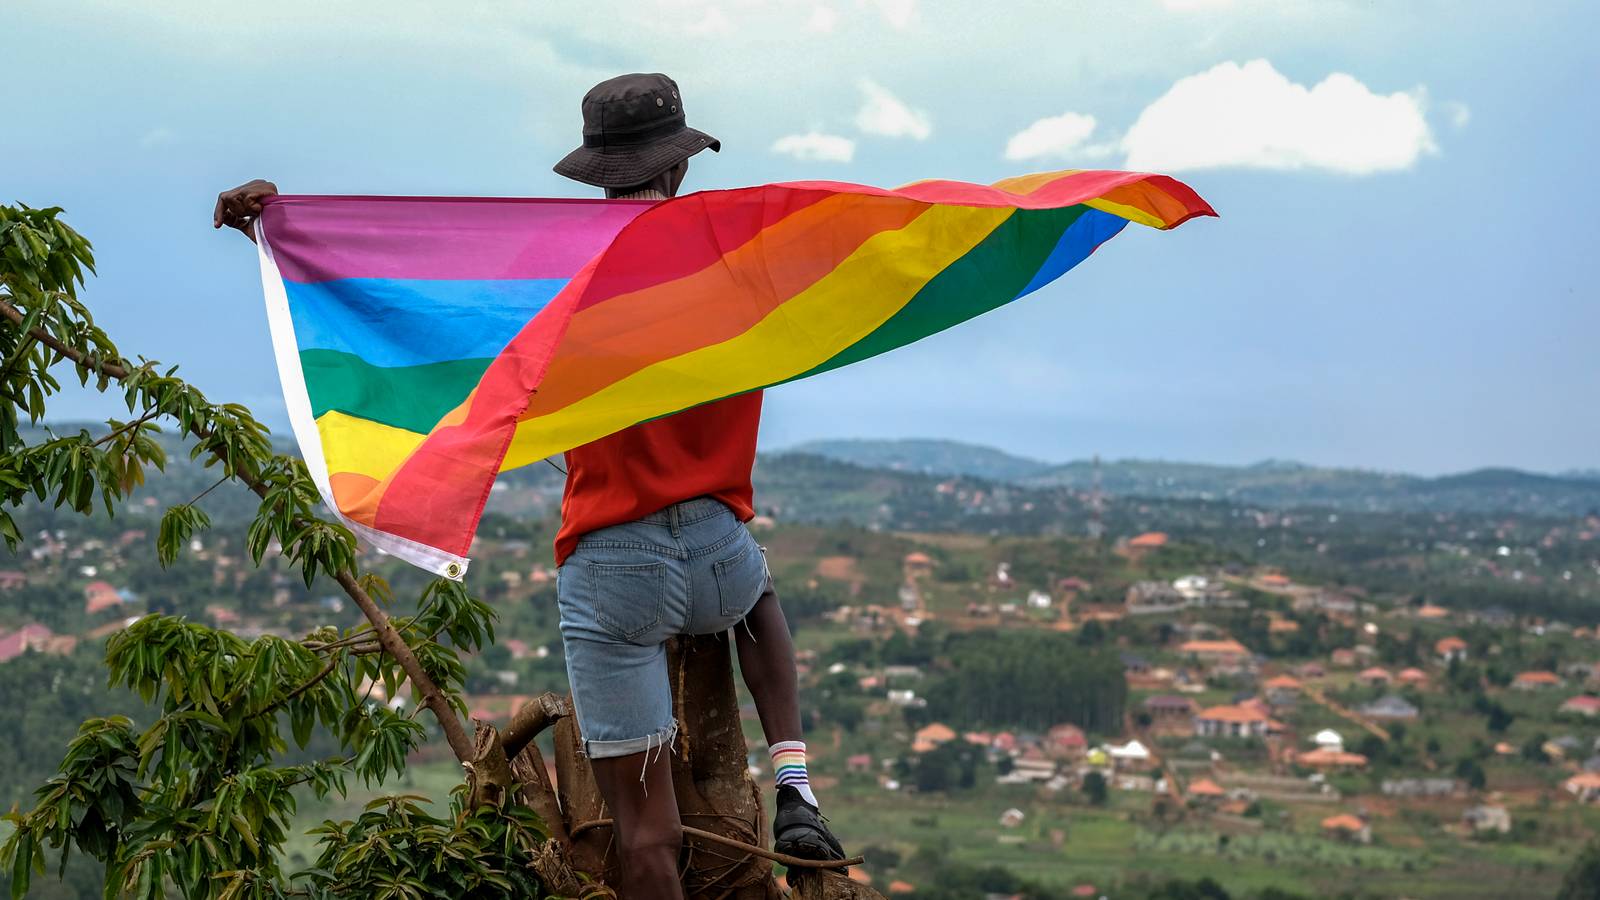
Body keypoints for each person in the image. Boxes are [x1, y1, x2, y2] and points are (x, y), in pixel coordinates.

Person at [214, 71, 845, 900]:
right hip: (719, 558)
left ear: (596, 175)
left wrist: (279, 225)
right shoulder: (733, 256)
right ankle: (795, 782)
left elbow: (419, 295)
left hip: (617, 572)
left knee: (646, 838)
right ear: (682, 167)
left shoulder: (564, 272)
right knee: (760, 595)